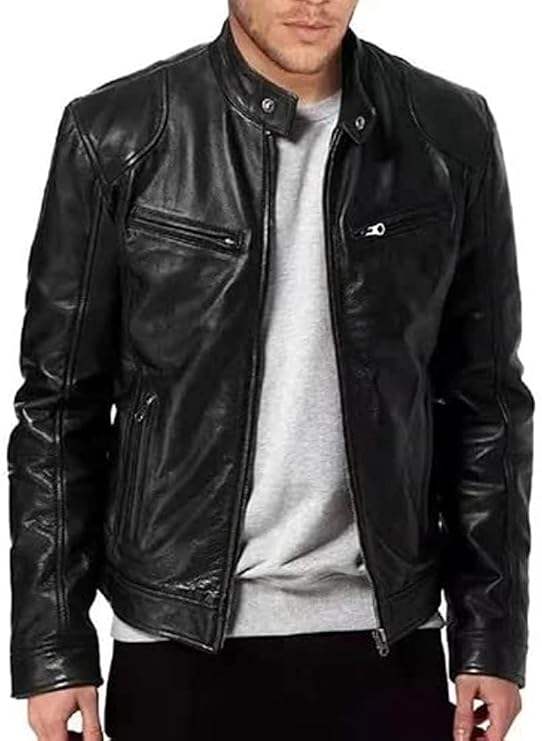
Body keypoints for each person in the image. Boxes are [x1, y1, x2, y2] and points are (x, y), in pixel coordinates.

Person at [7, 1, 533, 740]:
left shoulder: (449, 132)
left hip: (388, 638)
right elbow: (58, 410)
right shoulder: (119, 133)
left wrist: (491, 637)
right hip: (178, 641)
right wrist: (55, 649)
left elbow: (486, 403)